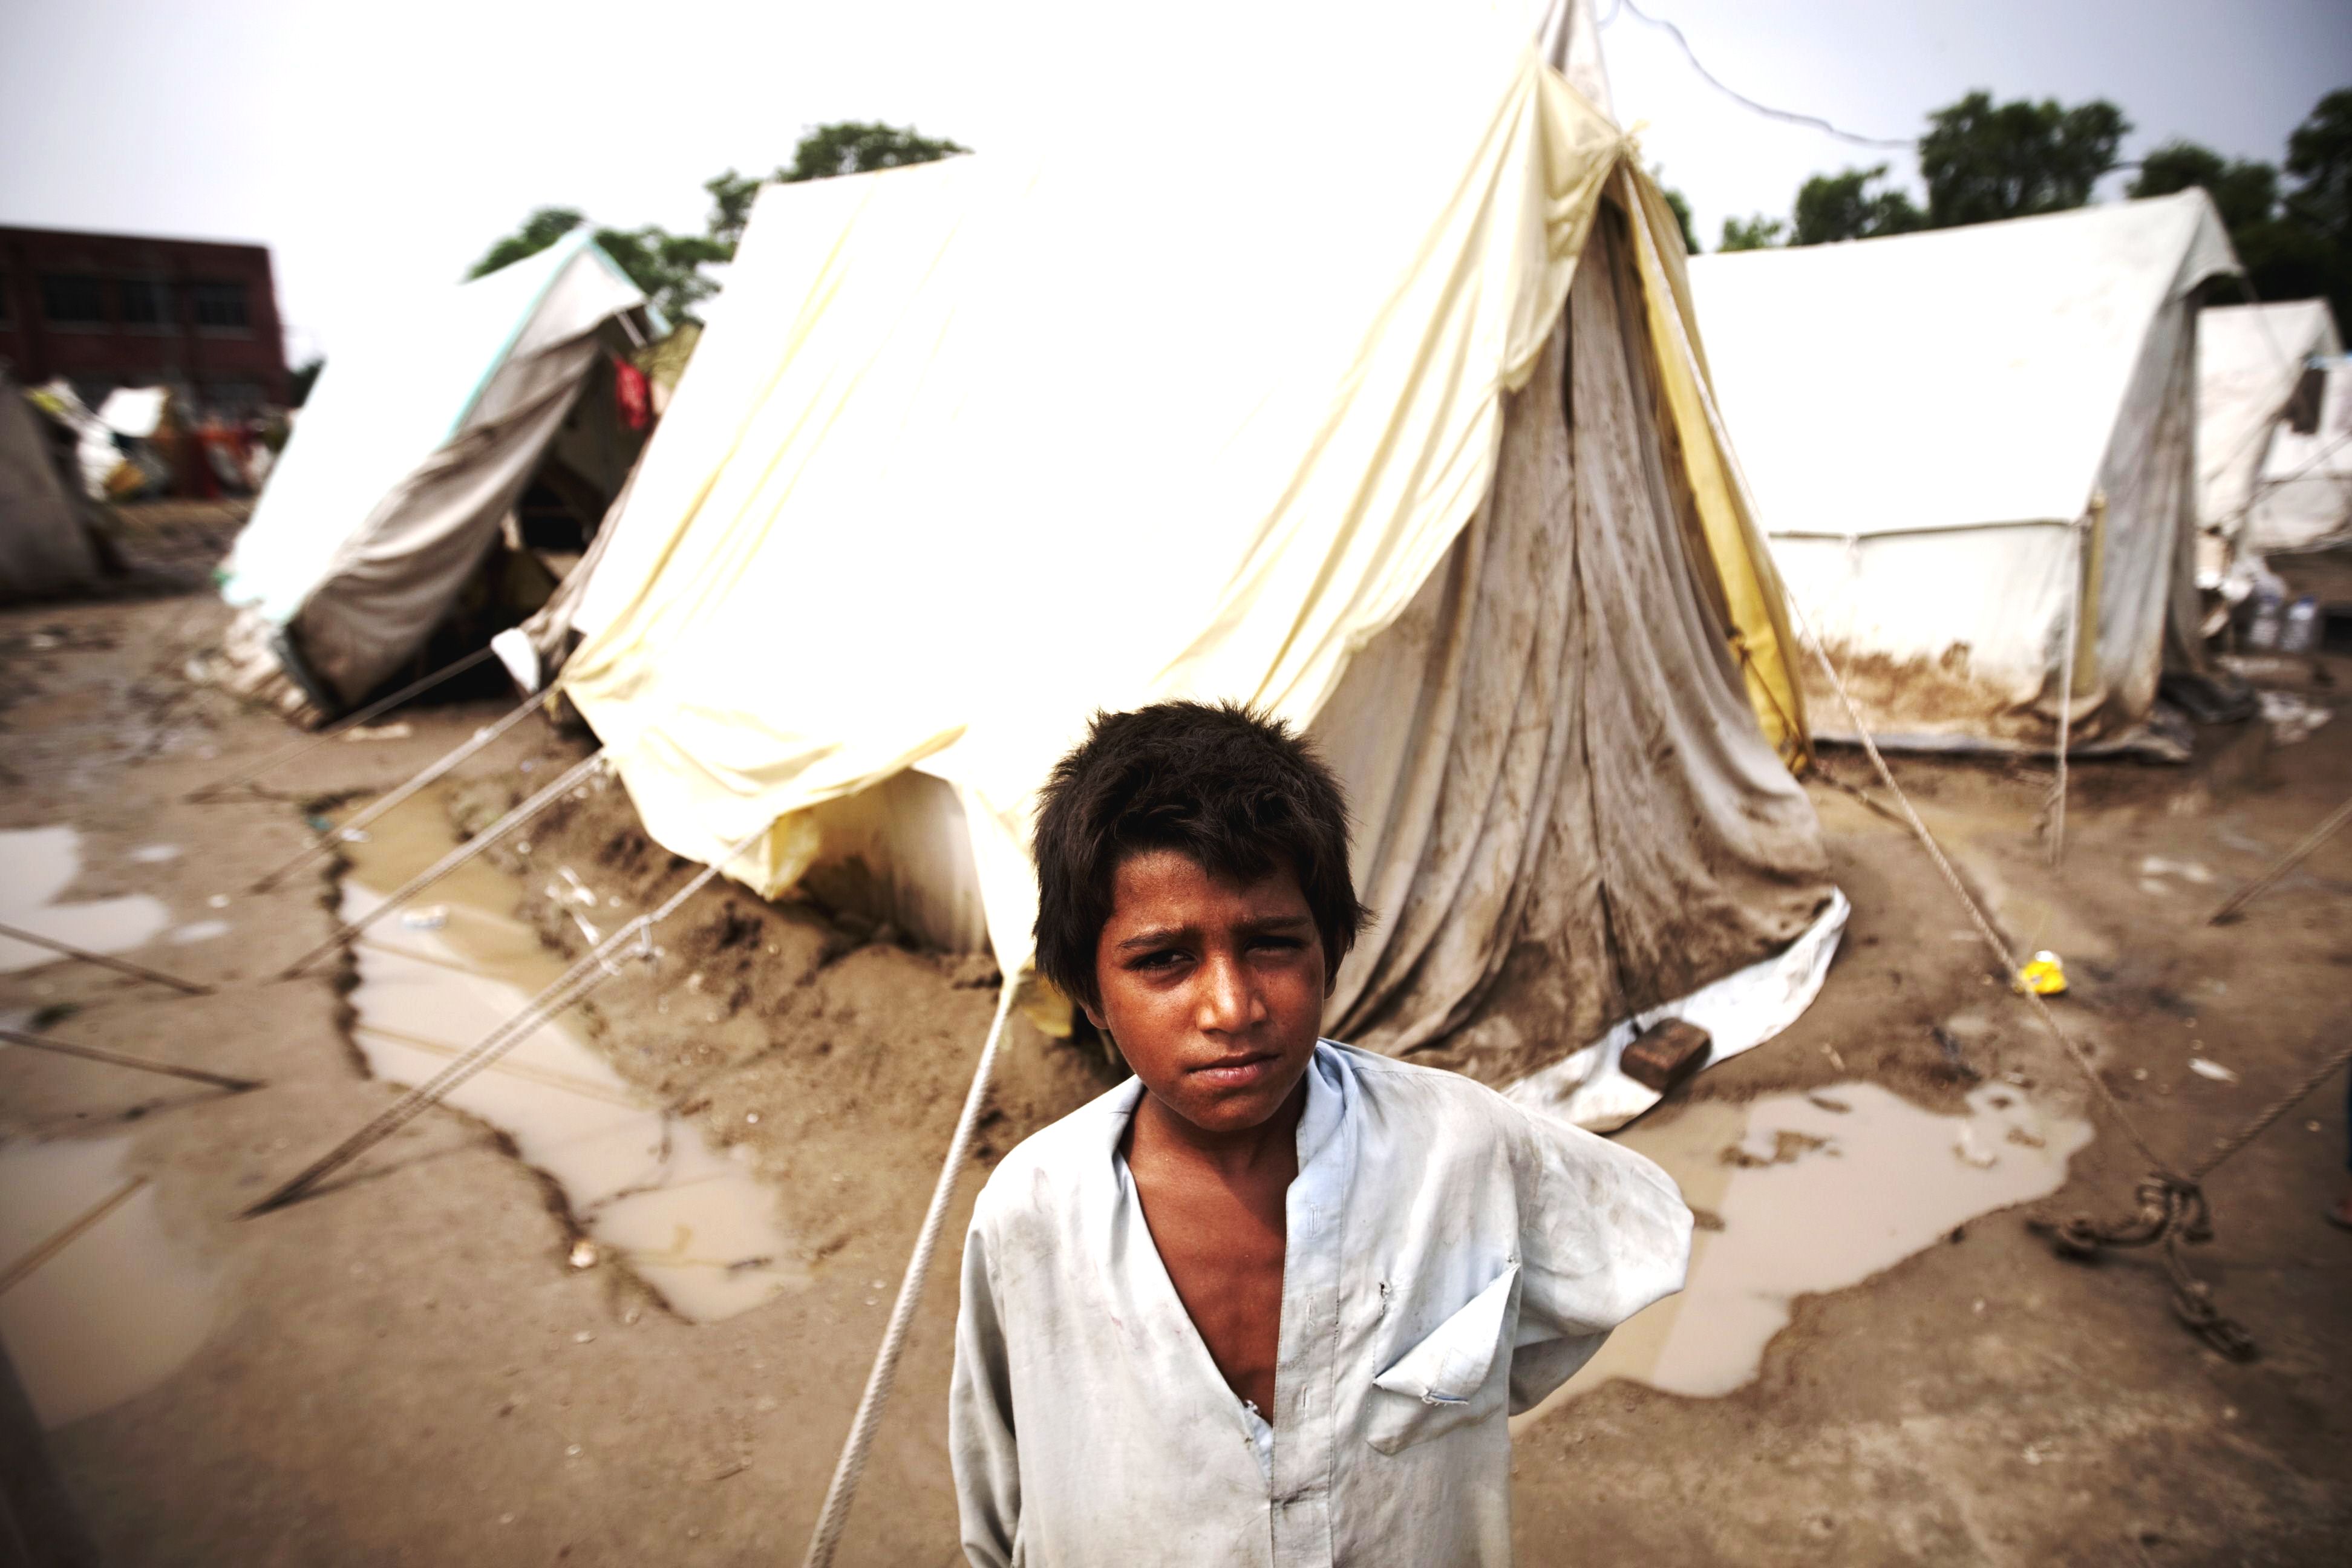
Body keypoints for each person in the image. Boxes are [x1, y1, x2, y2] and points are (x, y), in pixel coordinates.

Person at [950, 701, 1692, 1567]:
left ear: (1330, 951)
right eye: (1164, 961)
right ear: (1088, 990)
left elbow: (1631, 1238)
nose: (1231, 1008)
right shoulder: (1031, 1214)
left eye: (1271, 945)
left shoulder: (1462, 1149)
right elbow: (1001, 1499)